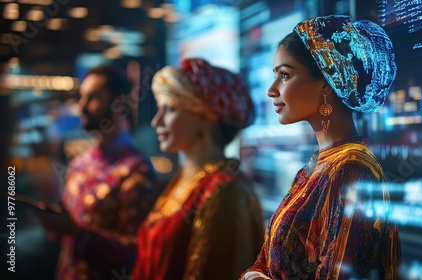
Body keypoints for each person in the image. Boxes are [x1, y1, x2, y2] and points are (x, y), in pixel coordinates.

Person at [241, 15, 401, 279]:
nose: (271, 90)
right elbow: (266, 258)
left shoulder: (351, 170)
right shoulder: (317, 166)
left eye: (284, 75)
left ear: (327, 81)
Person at [132, 58, 265, 279]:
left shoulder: (225, 190)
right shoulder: (186, 178)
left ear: (204, 116)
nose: (157, 121)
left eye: (170, 109)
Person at [29, 65, 159, 279]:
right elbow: (67, 235)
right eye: (82, 97)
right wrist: (55, 222)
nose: (81, 106)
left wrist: (81, 235)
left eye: (92, 98)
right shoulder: (80, 162)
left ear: (118, 103)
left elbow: (139, 250)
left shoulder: (136, 170)